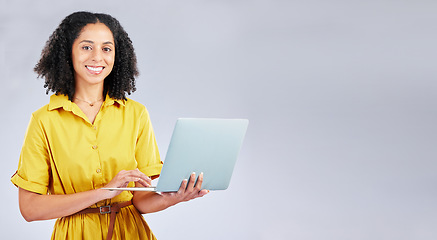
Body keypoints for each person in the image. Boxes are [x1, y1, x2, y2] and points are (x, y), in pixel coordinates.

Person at [11, 11, 208, 240]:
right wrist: (104, 192)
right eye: (86, 47)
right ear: (68, 52)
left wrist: (173, 197)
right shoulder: (44, 120)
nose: (97, 57)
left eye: (106, 48)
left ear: (117, 56)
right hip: (76, 234)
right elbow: (30, 208)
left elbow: (140, 200)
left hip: (131, 232)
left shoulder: (136, 113)